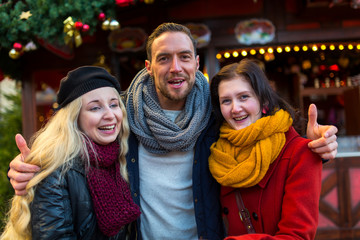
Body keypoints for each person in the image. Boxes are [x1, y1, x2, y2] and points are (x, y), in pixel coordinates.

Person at [8, 23, 338, 240]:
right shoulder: (124, 117)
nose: (175, 67)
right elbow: (72, 141)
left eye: (183, 57)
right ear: (149, 67)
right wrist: (30, 169)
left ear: (197, 62)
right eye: (164, 58)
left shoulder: (216, 115)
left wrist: (317, 143)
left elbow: (265, 131)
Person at [1, 66, 140, 240]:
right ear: (74, 118)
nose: (110, 115)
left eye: (114, 104)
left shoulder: (123, 156)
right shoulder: (56, 171)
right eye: (95, 108)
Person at [208, 58, 323, 239]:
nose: (235, 108)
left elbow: (296, 236)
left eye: (244, 97)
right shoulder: (217, 152)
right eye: (226, 101)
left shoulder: (299, 152)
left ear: (264, 102)